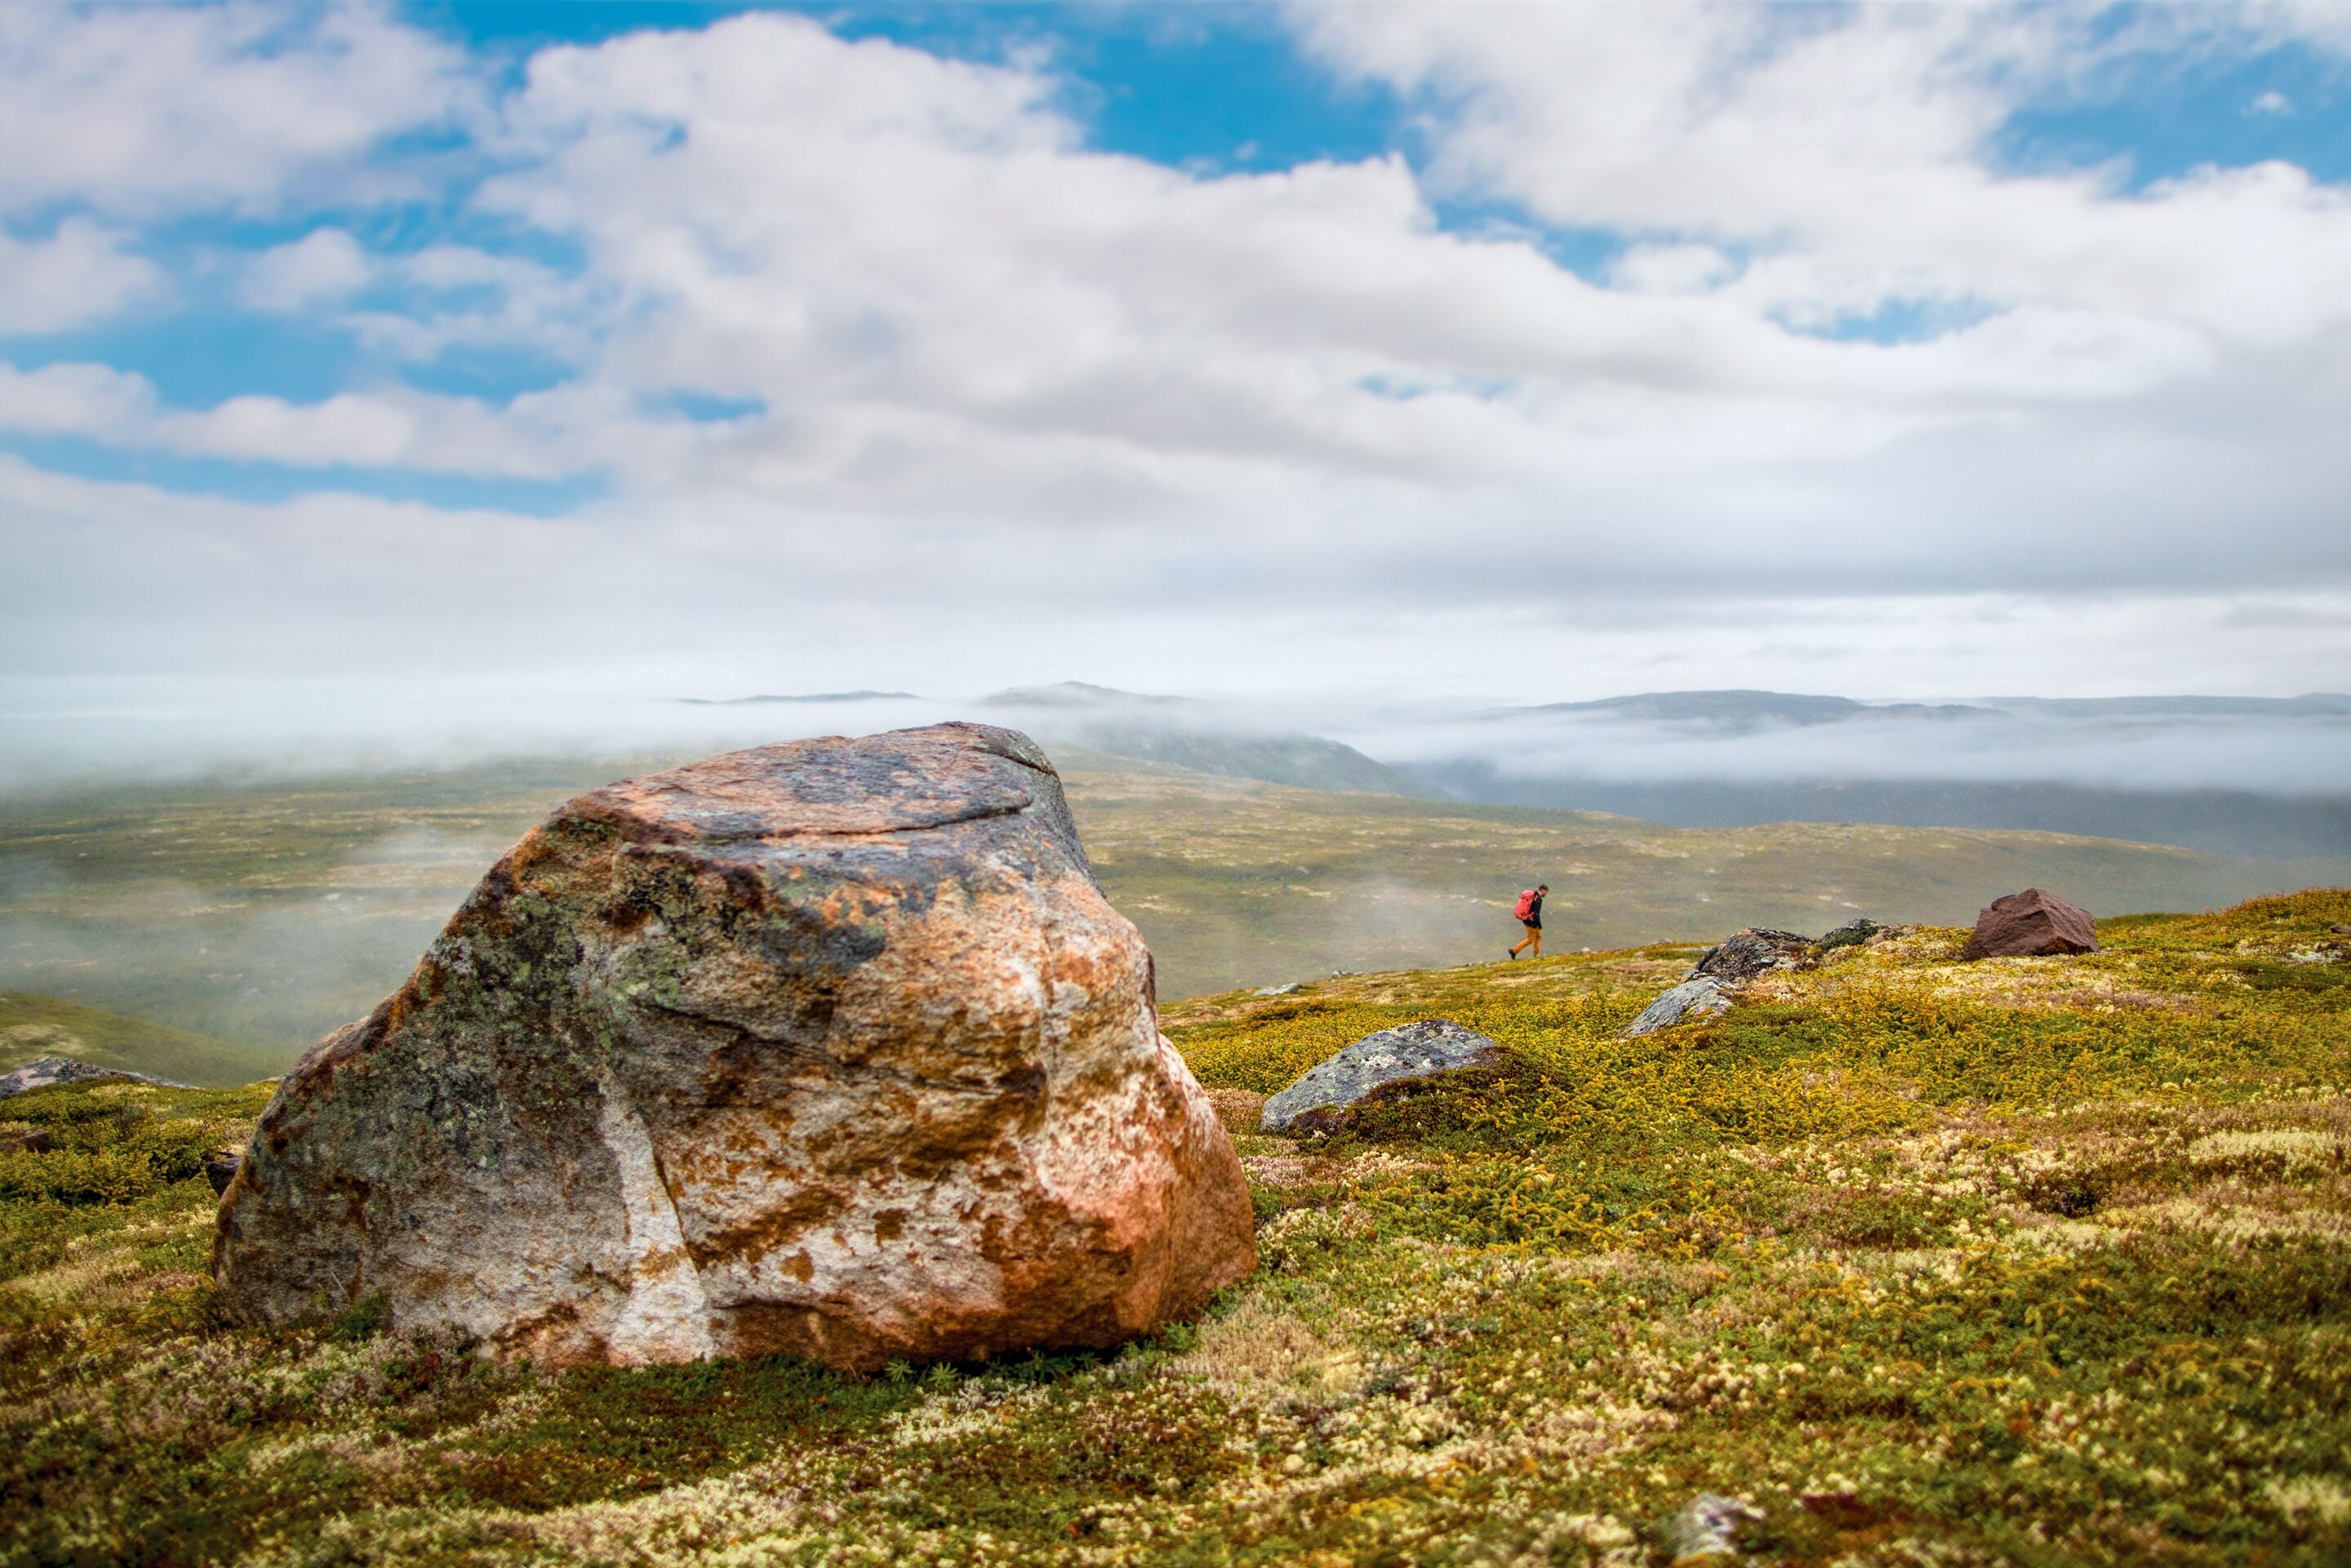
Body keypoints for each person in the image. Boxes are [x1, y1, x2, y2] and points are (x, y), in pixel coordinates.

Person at [1509, 883, 1548, 960]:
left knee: (1538, 936)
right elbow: (1536, 913)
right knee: (1530, 939)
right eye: (1546, 892)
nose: (1546, 894)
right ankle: (1515, 950)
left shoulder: (1533, 896)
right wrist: (1539, 924)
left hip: (1526, 920)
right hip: (1532, 922)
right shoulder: (1538, 899)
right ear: (1543, 890)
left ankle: (1536, 954)